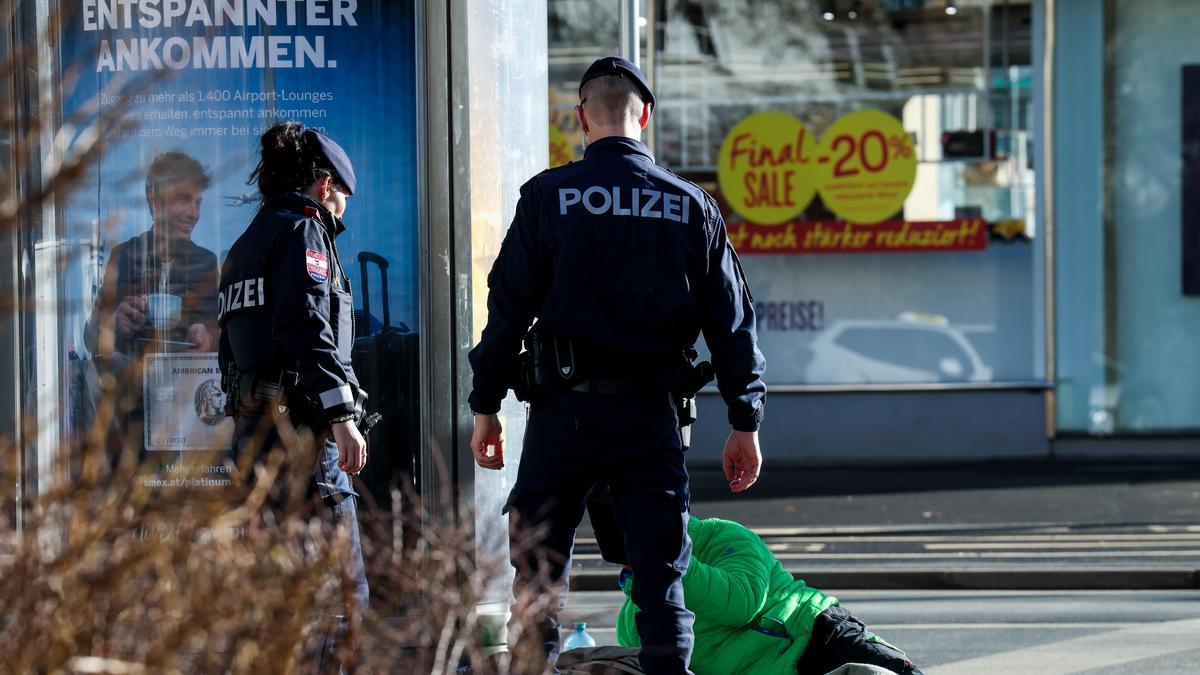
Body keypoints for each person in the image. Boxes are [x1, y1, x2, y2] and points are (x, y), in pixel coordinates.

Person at [467, 56, 766, 675]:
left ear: (581, 118)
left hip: (562, 417)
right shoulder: (691, 205)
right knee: (661, 579)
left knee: (538, 576)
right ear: (645, 116)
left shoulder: (547, 197)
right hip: (649, 419)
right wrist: (746, 420)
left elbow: (507, 310)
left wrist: (486, 406)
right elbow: (733, 324)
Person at [217, 121, 369, 671]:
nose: (342, 213)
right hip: (303, 438)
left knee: (272, 590)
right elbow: (307, 325)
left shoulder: (243, 246)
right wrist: (342, 415)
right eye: (343, 198)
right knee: (341, 597)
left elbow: (228, 353)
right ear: (325, 185)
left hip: (254, 438)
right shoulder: (303, 231)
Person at [598, 508, 926, 675]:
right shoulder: (632, 622)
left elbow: (742, 602)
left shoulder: (720, 535)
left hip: (818, 637)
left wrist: (667, 562)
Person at [86, 151, 219, 360]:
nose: (194, 214)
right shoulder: (124, 257)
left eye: (198, 204)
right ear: (155, 200)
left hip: (187, 378)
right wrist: (113, 324)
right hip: (133, 378)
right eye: (184, 200)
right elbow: (90, 338)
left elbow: (222, 331)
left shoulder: (206, 262)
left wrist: (209, 338)